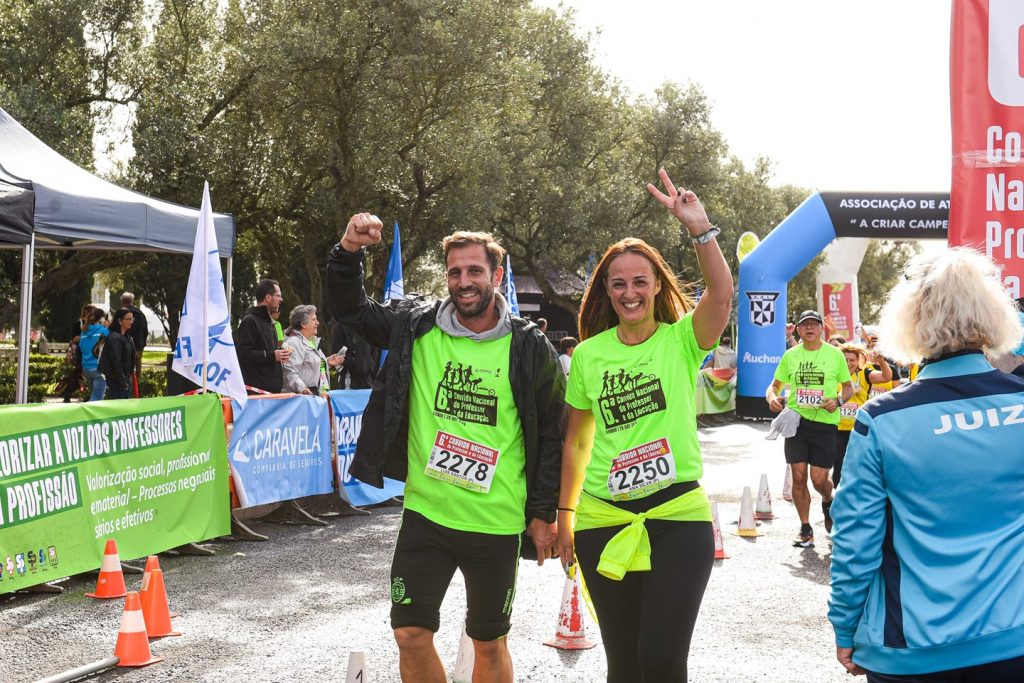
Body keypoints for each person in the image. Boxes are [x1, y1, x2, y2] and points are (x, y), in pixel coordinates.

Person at [327, 214, 564, 683]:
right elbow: (351, 309)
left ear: (496, 275)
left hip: (495, 522)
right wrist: (348, 251)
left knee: (488, 644)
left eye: (475, 271)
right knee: (409, 633)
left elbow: (554, 435)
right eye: (455, 272)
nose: (464, 282)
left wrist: (544, 513)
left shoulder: (529, 346)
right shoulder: (416, 326)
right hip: (427, 516)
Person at [556, 169, 732, 682]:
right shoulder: (588, 355)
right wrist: (565, 515)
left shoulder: (681, 340)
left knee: (660, 658)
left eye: (639, 281)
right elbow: (578, 441)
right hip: (602, 518)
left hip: (677, 516)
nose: (629, 292)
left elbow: (721, 295)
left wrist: (700, 230)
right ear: (606, 291)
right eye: (619, 283)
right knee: (625, 664)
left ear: (656, 285)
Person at [829, 248, 1024, 682]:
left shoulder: (881, 419)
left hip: (912, 649)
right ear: (993, 314)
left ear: (911, 321)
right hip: (1015, 641)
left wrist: (845, 624)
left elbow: (856, 539)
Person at [766, 309, 853, 547]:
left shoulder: (835, 355)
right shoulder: (790, 355)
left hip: (825, 424)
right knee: (798, 476)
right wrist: (771, 397)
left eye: (814, 324)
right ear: (798, 330)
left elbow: (848, 387)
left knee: (819, 479)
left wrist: (838, 401)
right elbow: (774, 385)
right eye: (805, 325)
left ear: (821, 329)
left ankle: (828, 500)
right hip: (797, 422)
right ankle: (805, 528)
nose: (810, 328)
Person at [834, 343, 890, 488]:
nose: (848, 363)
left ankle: (857, 494)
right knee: (838, 466)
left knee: (857, 465)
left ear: (858, 360)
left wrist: (882, 361)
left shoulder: (864, 373)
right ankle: (836, 496)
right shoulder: (834, 374)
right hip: (837, 428)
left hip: (858, 428)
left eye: (852, 360)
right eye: (845, 359)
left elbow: (886, 377)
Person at [236, 279, 291, 393]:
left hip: (272, 391)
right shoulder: (250, 321)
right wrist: (272, 356)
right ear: (268, 297)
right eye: (278, 296)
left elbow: (269, 353)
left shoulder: (270, 323)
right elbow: (243, 354)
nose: (281, 300)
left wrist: (281, 353)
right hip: (257, 393)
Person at [281, 304, 344, 395]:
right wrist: (303, 389)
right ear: (303, 324)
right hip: (302, 398)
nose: (318, 323)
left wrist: (327, 362)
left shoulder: (312, 342)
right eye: (314, 319)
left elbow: (309, 368)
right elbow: (289, 373)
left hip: (314, 396)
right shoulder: (293, 343)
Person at [100, 308, 137, 399]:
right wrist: (123, 382)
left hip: (124, 380)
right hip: (117, 382)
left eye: (132, 319)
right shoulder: (115, 338)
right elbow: (115, 362)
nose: (131, 322)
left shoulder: (127, 337)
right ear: (120, 321)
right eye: (128, 319)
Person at [78, 307, 109, 402]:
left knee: (94, 395)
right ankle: (84, 411)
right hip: (98, 369)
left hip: (86, 368)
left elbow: (81, 348)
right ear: (101, 319)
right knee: (97, 398)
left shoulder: (83, 332)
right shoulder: (103, 331)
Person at [120, 292, 148, 388]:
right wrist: (142, 342)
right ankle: (138, 387)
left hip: (125, 345)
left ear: (122, 302)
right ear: (132, 301)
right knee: (137, 365)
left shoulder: (122, 313)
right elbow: (145, 330)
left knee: (125, 366)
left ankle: (127, 386)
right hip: (139, 344)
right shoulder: (140, 314)